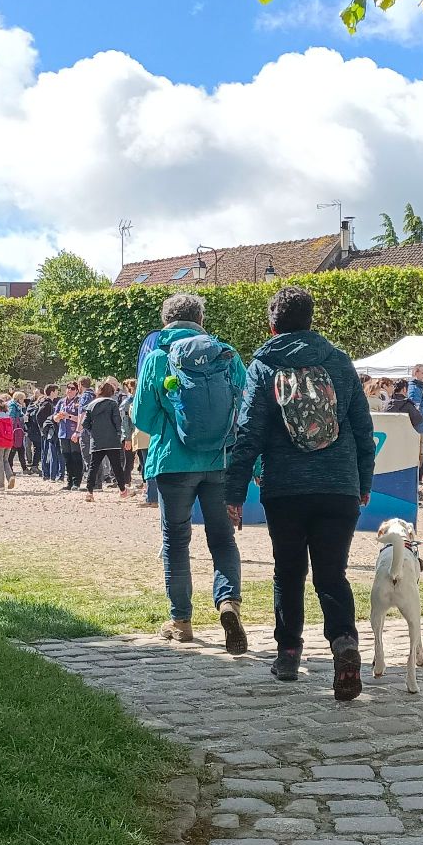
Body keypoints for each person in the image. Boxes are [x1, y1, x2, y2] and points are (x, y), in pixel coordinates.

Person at [225, 286, 377, 697]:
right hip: (338, 484)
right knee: (332, 573)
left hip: (285, 487)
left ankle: (289, 652)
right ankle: (343, 641)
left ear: (272, 324)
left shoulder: (263, 365)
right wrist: (363, 481)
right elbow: (363, 429)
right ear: (312, 320)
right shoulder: (339, 362)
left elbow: (248, 433)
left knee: (288, 572)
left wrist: (234, 493)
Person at [133, 292, 249, 648]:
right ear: (201, 320)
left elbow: (142, 417)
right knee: (223, 538)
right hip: (220, 461)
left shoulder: (158, 357)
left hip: (172, 462)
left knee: (175, 541)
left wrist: (170, 422)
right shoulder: (226, 355)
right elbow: (246, 409)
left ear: (165, 321)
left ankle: (181, 621)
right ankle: (228, 602)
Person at [84, 377, 131, 499]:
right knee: (117, 466)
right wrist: (118, 434)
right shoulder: (113, 404)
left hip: (97, 440)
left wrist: (93, 432)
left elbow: (85, 423)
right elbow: (117, 421)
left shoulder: (91, 405)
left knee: (93, 467)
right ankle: (122, 490)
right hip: (112, 441)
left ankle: (89, 492)